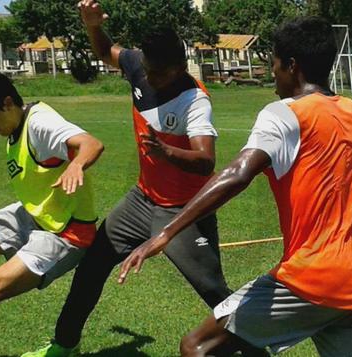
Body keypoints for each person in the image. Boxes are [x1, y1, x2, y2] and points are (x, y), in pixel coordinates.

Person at [119, 16, 352, 357]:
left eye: (274, 64)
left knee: (197, 346)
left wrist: (165, 232)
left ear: (293, 67)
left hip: (312, 279)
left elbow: (237, 173)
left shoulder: (285, 114)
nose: (271, 73)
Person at [20, 1, 254, 356]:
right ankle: (63, 345)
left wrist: (167, 152)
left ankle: (254, 348)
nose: (150, 78)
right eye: (148, 69)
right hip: (141, 201)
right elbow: (104, 51)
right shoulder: (138, 66)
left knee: (214, 292)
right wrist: (93, 25)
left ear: (178, 68)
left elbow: (206, 162)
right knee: (92, 267)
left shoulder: (194, 100)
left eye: (159, 73)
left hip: (183, 210)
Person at [0, 68, 104, 344]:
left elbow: (91, 144)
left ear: (8, 103)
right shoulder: (16, 124)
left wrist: (76, 165)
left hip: (64, 233)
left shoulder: (40, 123)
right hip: (34, 216)